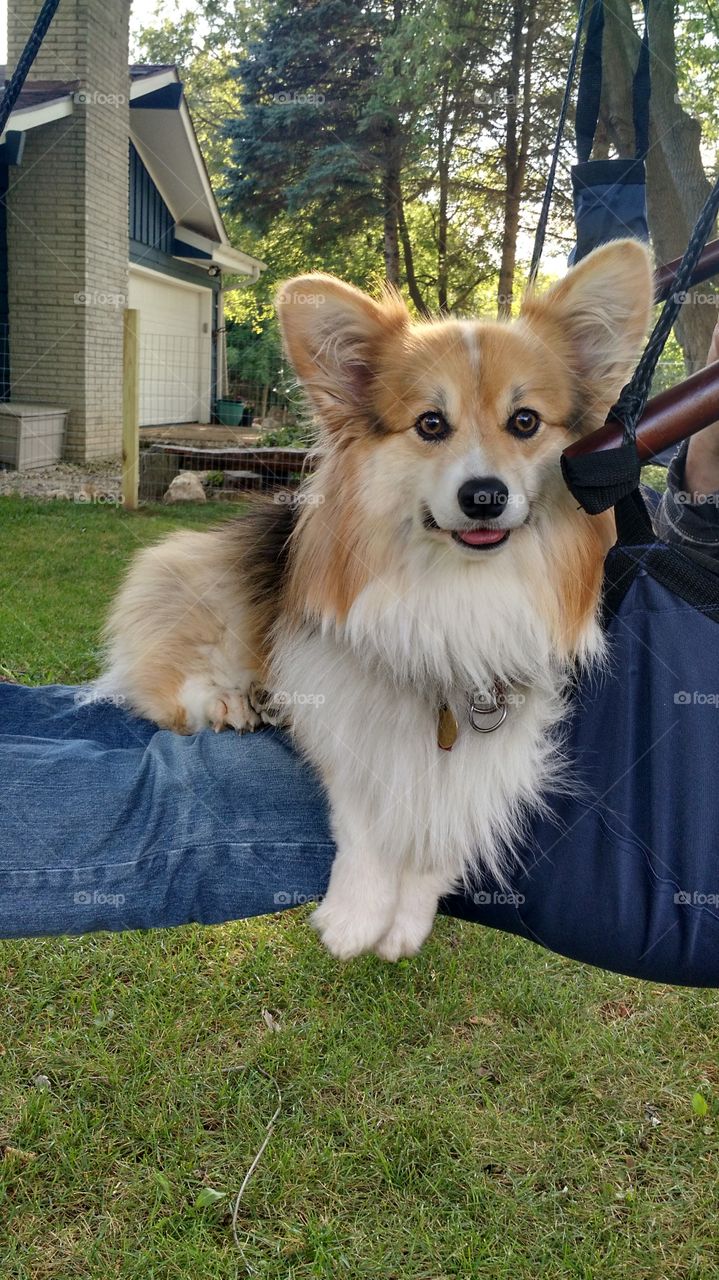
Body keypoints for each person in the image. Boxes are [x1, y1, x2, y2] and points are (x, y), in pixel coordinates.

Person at [2, 332, 719, 984]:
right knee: (192, 767)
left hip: (656, 824)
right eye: (430, 426)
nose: (483, 472)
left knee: (204, 786)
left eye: (521, 423)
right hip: (651, 762)